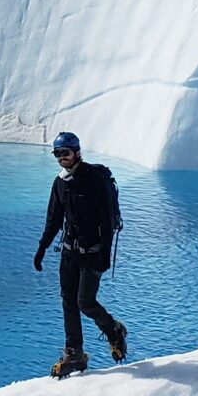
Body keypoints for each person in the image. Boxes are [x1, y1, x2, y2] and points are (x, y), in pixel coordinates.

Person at [33, 130, 127, 377]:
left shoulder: (93, 178)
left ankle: (113, 330)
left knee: (85, 301)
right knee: (68, 302)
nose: (62, 158)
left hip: (93, 253)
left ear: (76, 152)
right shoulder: (60, 183)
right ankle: (74, 353)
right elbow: (53, 220)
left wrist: (104, 254)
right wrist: (42, 248)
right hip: (68, 253)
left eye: (65, 153)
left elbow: (107, 219)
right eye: (58, 154)